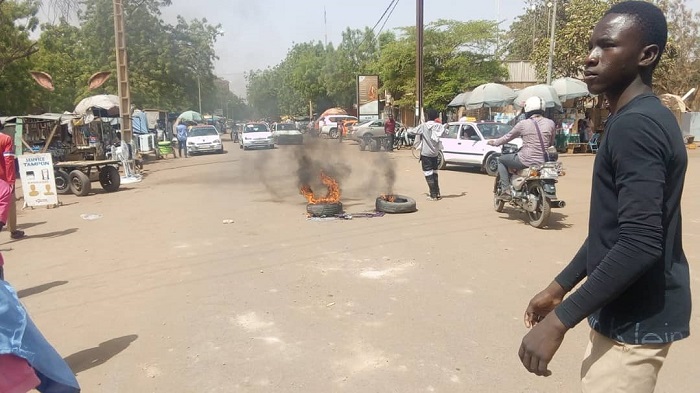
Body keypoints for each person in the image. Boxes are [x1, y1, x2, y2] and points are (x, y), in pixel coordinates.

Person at [517, 3, 690, 392]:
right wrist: (559, 286)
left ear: (646, 55)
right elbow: (610, 233)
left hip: (635, 323)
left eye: (607, 47)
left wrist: (559, 321)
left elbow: (640, 243)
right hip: (622, 314)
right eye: (592, 46)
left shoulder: (636, 126)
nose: (590, 58)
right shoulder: (635, 117)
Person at [487, 96, 555, 197]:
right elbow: (550, 143)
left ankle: (505, 190)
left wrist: (495, 142)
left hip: (525, 159)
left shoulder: (523, 124)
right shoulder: (551, 123)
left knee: (501, 160)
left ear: (528, 109)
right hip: (543, 161)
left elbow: (508, 137)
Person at [414, 109, 445, 200]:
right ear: (436, 116)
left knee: (428, 173)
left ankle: (433, 195)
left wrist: (408, 129)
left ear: (428, 116)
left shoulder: (424, 126)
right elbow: (445, 131)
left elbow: (413, 131)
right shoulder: (439, 126)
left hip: (426, 154)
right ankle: (437, 192)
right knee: (435, 173)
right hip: (435, 154)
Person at [0, 121, 23, 240]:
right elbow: (8, 161)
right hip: (3, 178)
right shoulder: (6, 139)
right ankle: (13, 231)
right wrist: (11, 181)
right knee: (10, 203)